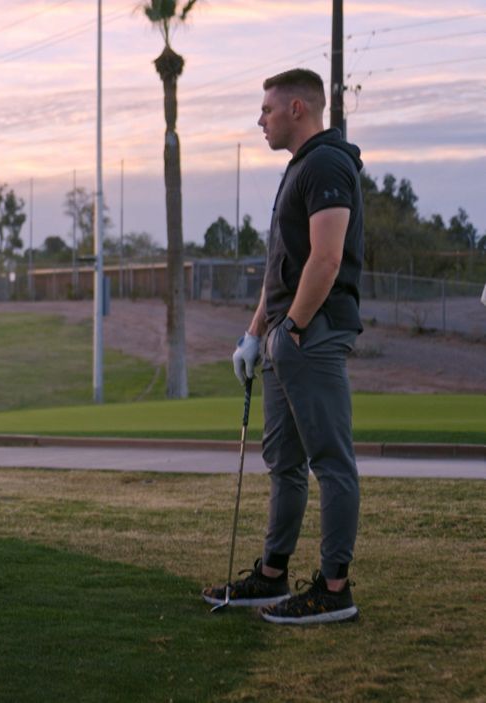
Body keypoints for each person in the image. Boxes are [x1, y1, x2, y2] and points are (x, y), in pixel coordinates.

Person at [203, 68, 364, 625]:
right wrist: (256, 333)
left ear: (298, 108)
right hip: (283, 336)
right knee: (285, 464)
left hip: (311, 335)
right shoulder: (300, 167)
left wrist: (291, 329)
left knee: (331, 462)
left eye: (267, 110)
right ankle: (272, 575)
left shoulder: (326, 164)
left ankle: (335, 590)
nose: (260, 120)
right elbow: (283, 270)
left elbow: (327, 258)